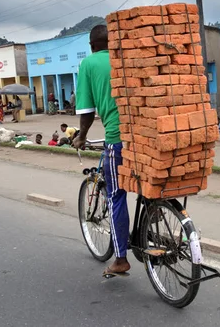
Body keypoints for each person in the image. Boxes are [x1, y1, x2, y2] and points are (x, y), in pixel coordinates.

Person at [73, 24, 130, 277]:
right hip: (146, 137)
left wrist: (81, 136)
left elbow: (86, 110)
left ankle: (120, 260)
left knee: (116, 195)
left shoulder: (89, 64)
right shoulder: (126, 58)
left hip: (117, 138)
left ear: (92, 45)